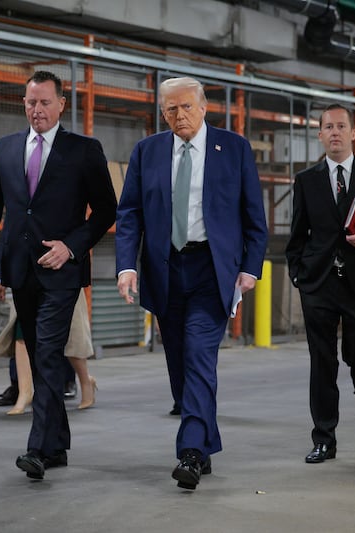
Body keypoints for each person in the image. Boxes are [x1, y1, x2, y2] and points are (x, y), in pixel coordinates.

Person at [115, 77, 268, 490]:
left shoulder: (233, 148)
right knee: (180, 362)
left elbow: (253, 215)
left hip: (211, 269)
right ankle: (204, 439)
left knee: (200, 354)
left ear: (203, 108)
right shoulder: (147, 151)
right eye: (170, 109)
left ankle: (191, 453)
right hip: (165, 268)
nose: (179, 115)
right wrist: (126, 266)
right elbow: (129, 213)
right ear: (162, 113)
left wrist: (251, 267)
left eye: (186, 107)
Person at [0, 70, 116, 480]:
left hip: (63, 271)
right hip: (20, 271)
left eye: (45, 102)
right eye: (31, 102)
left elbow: (106, 210)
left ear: (61, 104)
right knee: (38, 355)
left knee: (48, 353)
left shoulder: (84, 150)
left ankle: (37, 449)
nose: (37, 110)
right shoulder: (7, 147)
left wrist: (71, 246)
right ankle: (57, 445)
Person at [285, 103, 355, 464]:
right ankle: (324, 439)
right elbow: (297, 234)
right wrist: (298, 275)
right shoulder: (306, 181)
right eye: (328, 127)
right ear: (320, 134)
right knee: (322, 362)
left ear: (353, 133)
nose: (335, 132)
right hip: (318, 284)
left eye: (341, 126)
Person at [0, 283, 97, 414]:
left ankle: (86, 381)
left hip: (62, 279)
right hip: (26, 279)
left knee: (70, 337)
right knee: (22, 332)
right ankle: (25, 393)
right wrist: (0, 278)